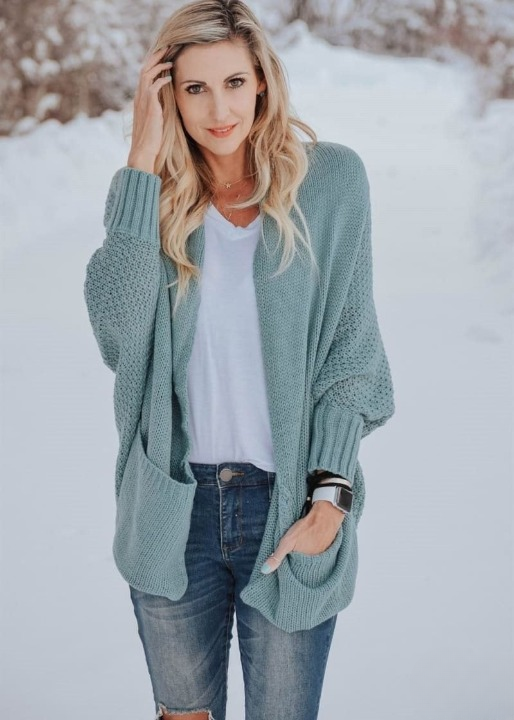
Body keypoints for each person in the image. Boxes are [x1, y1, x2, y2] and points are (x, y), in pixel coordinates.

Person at [83, 1, 395, 718]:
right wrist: (140, 163)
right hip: (174, 510)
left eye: (233, 82)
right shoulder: (150, 199)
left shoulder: (332, 182)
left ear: (261, 81)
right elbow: (117, 335)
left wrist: (328, 502)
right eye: (194, 88)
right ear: (167, 97)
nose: (218, 109)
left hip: (287, 506)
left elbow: (352, 357)